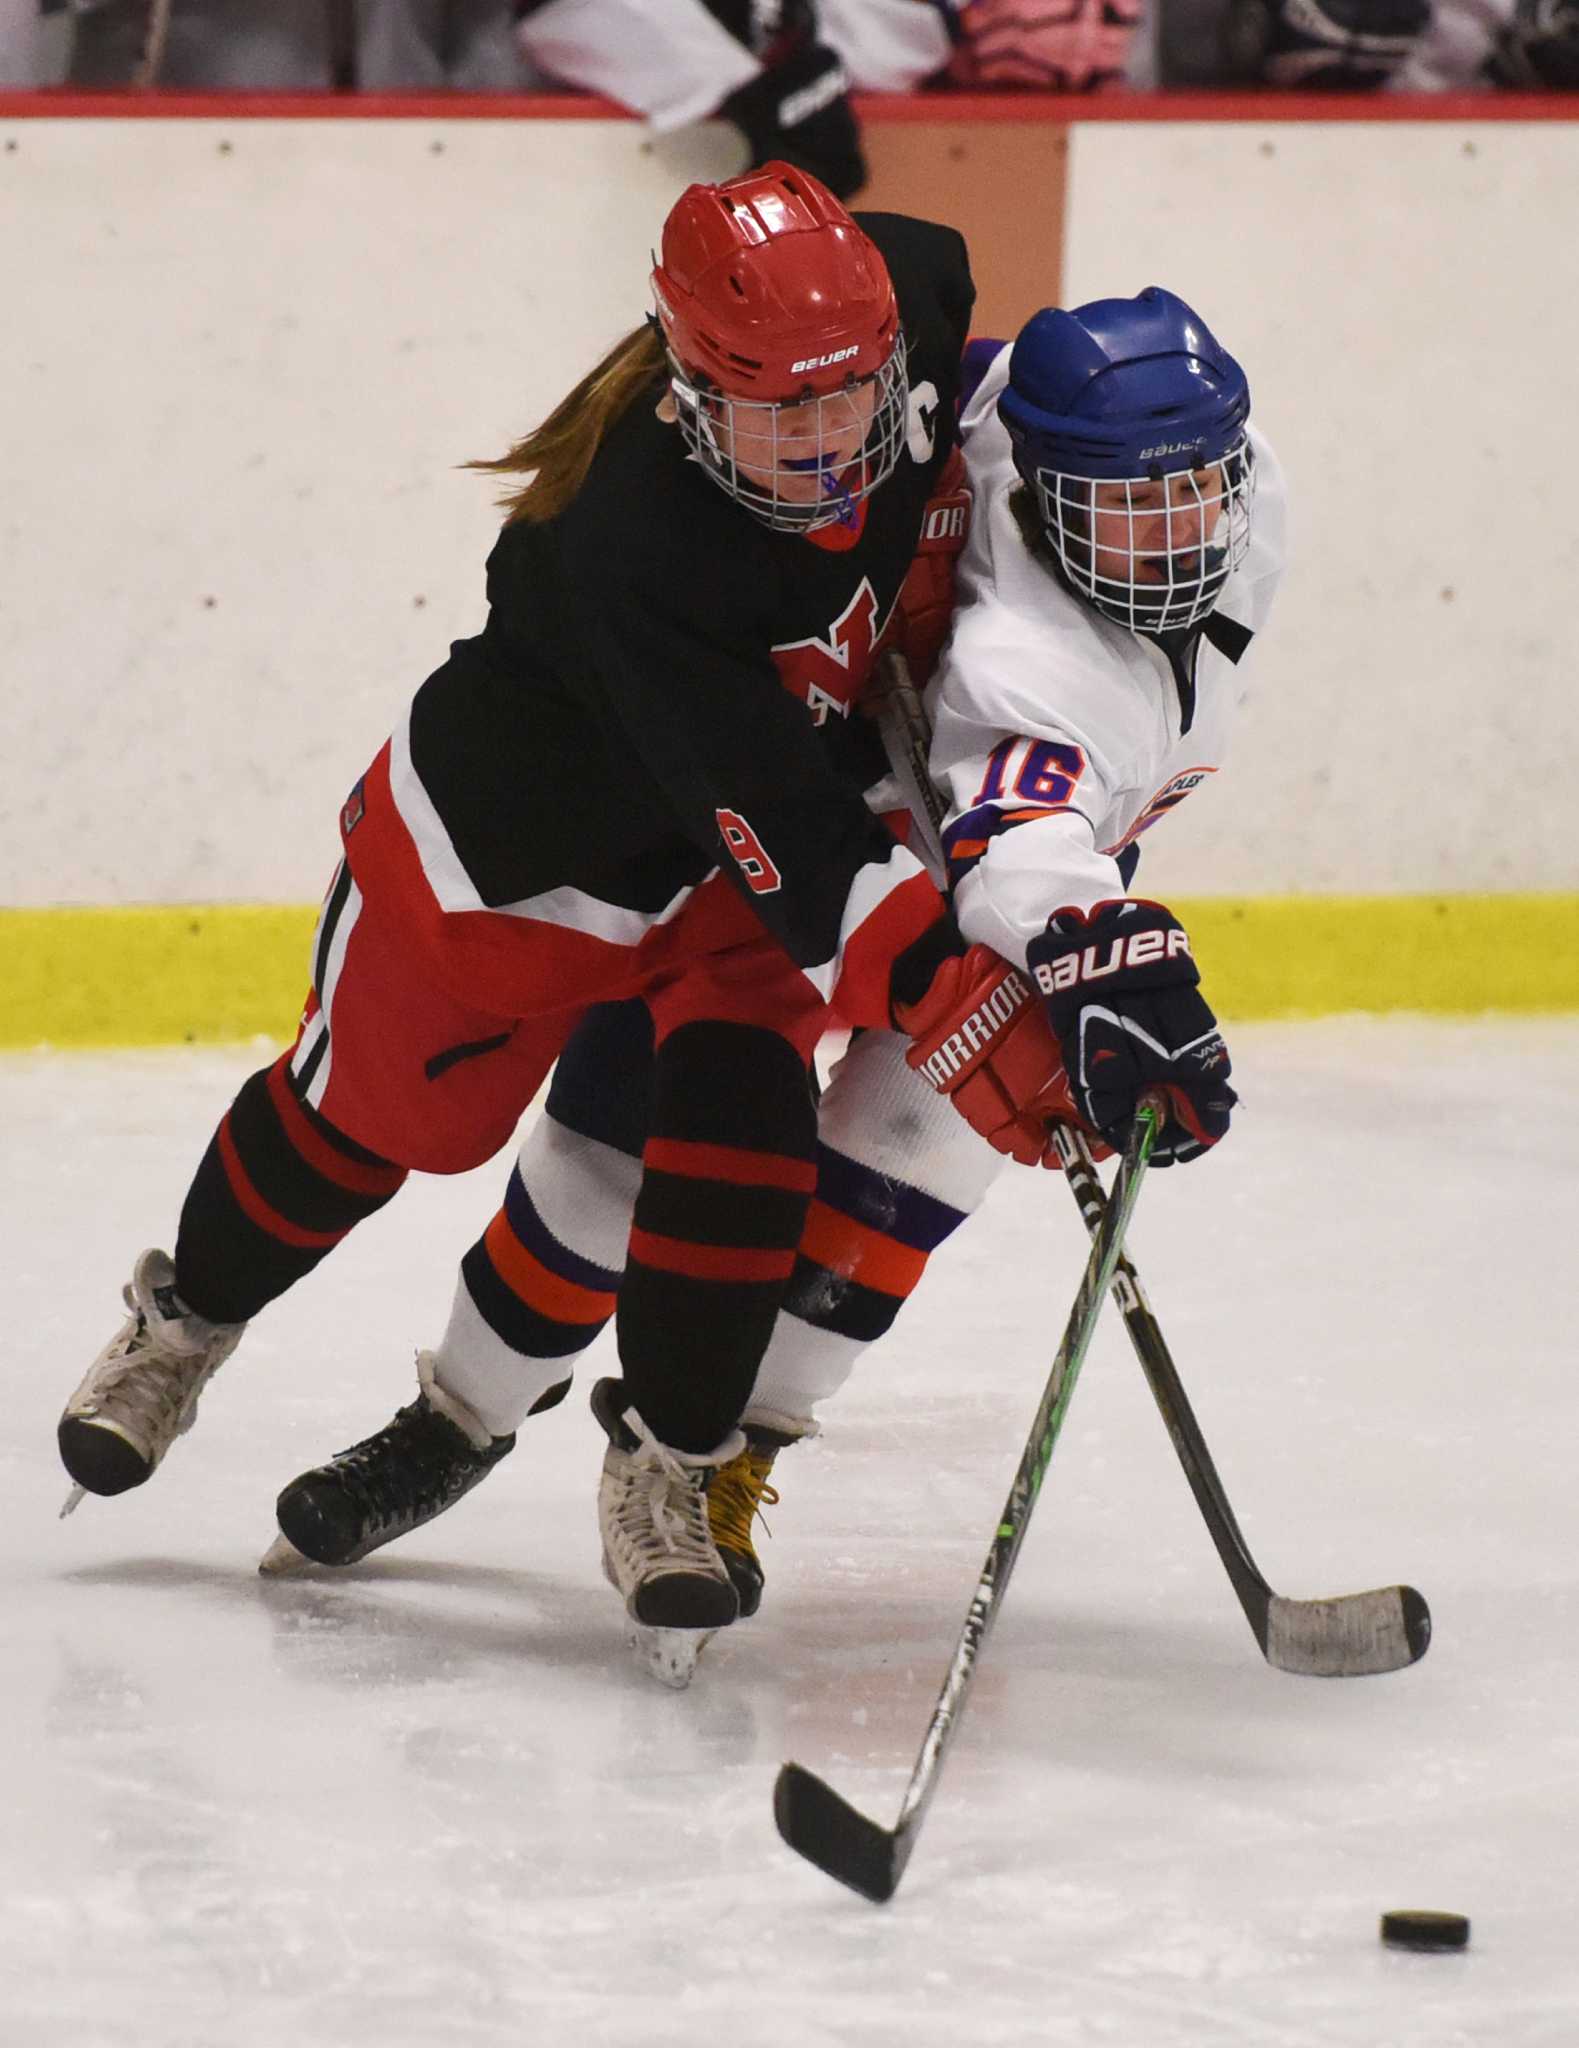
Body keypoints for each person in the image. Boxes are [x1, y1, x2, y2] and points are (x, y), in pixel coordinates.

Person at [58, 162, 1027, 1651]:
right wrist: (947, 991)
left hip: (717, 888)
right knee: (370, 1127)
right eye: (782, 417)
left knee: (736, 1135)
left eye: (854, 401)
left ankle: (670, 1472)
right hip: (516, 862)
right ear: (696, 395)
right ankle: (183, 1325)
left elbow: (969, 320)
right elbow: (771, 804)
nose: (832, 446)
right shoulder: (626, 546)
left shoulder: (902, 291)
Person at [263, 283, 1287, 1624]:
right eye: (1120, 508)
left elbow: (991, 380)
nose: (1168, 541)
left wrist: (1103, 956)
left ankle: (725, 1459)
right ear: (1038, 485)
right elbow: (1026, 817)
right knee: (602, 1172)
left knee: (903, 1173)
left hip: (1009, 888)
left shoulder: (1233, 490)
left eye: (1191, 496)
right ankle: (459, 1417)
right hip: (795, 865)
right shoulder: (1033, 661)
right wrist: (1099, 952)